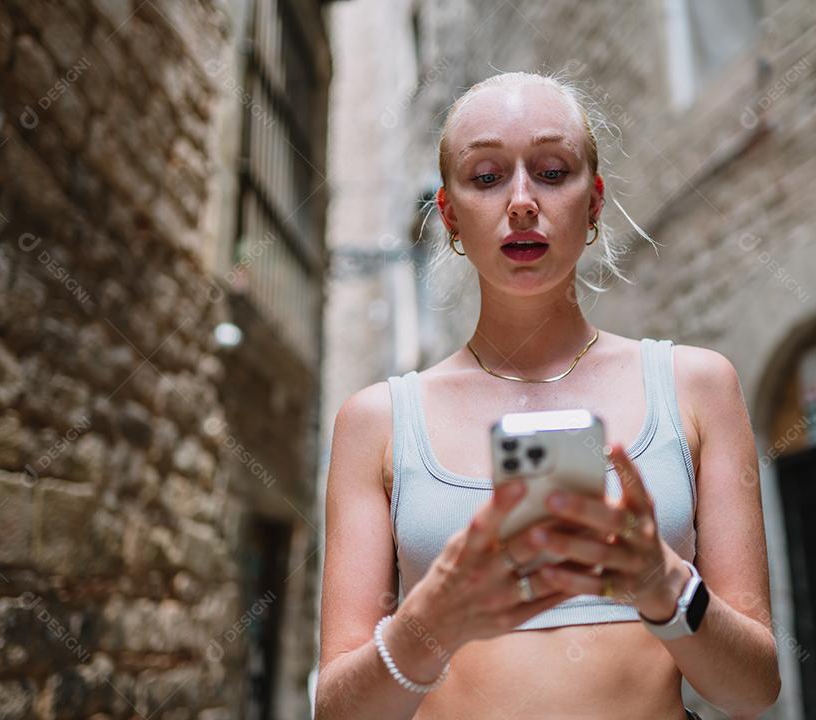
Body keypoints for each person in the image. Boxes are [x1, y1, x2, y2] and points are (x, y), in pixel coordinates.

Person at [315, 71, 780, 719]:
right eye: (486, 176)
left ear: (594, 203)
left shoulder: (697, 386)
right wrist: (431, 621)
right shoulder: (378, 421)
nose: (523, 201)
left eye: (553, 171)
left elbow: (753, 690)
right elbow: (337, 712)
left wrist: (663, 583)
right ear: (449, 214)